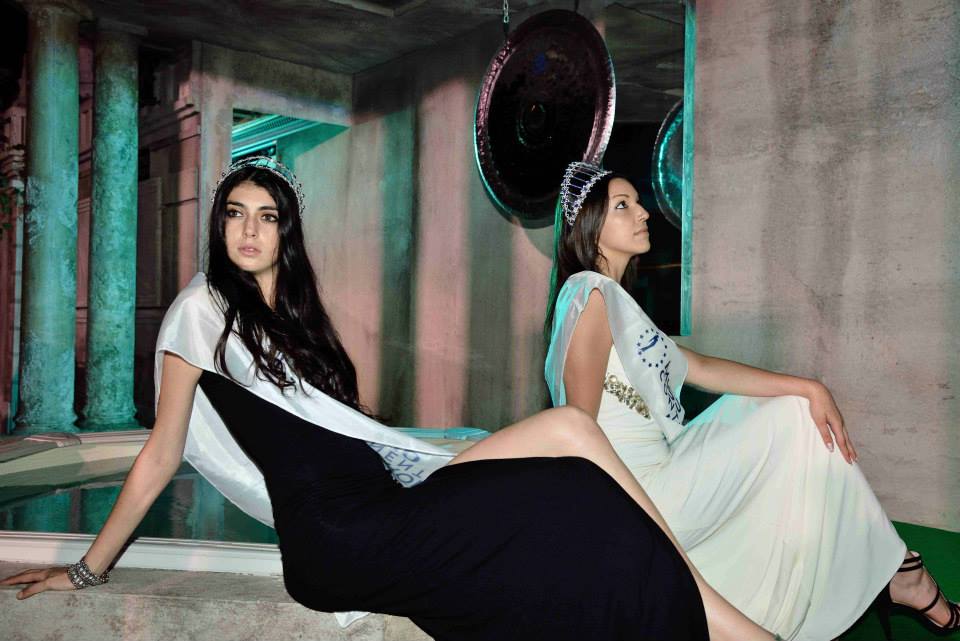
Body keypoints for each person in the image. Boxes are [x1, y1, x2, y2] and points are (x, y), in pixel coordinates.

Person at [0, 157, 732, 641]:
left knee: (575, 472)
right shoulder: (201, 311)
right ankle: (719, 620)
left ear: (286, 231)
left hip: (383, 507)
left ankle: (694, 613)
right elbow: (162, 455)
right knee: (570, 481)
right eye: (234, 213)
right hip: (337, 537)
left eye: (266, 215)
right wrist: (87, 568)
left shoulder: (297, 319)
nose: (248, 229)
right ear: (218, 225)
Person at [543, 161, 960, 641]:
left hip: (662, 471)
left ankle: (893, 570)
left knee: (785, 405)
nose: (643, 213)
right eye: (623, 206)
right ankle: (899, 573)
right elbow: (577, 426)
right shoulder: (590, 294)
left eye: (637, 202)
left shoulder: (614, 301)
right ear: (592, 228)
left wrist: (809, 386)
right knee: (792, 416)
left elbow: (700, 367)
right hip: (640, 494)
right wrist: (609, 530)